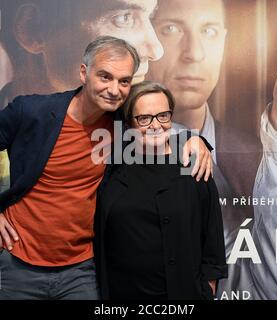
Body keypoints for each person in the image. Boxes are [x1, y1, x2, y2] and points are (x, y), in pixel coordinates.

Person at [0, 36, 213, 300]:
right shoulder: (33, 112)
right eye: (105, 77)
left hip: (82, 269)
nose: (114, 89)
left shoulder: (121, 124)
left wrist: (195, 139)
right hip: (17, 263)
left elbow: (156, 129)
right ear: (84, 72)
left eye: (124, 81)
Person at [147, 0, 277, 299]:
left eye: (209, 30)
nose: (194, 53)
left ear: (225, 42)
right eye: (171, 28)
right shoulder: (101, 157)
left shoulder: (264, 163)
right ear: (145, 40)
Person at [94, 81, 227, 300]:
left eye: (163, 116)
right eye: (144, 118)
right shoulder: (113, 165)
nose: (156, 125)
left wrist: (207, 290)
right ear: (129, 123)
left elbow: (211, 235)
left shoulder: (191, 164)